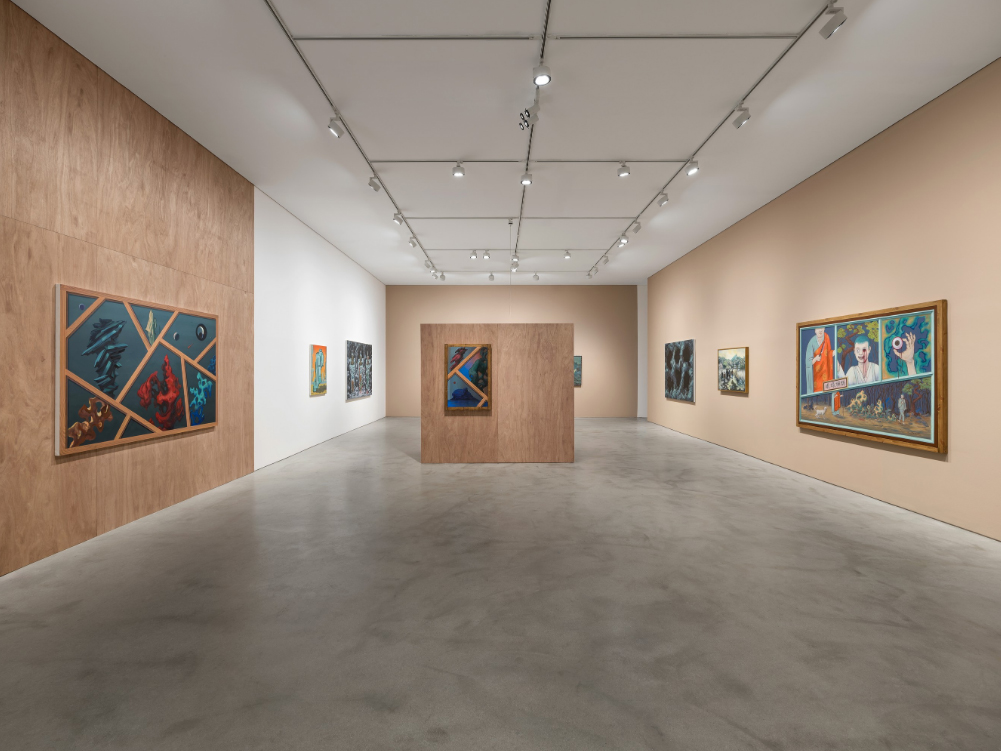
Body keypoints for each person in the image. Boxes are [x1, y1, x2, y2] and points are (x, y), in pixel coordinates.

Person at [804, 327, 833, 393]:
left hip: (825, 372)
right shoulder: (811, 342)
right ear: (815, 330)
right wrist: (815, 359)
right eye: (818, 328)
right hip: (816, 374)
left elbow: (828, 353)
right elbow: (808, 362)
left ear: (824, 328)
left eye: (822, 328)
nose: (820, 330)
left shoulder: (826, 338)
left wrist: (833, 353)